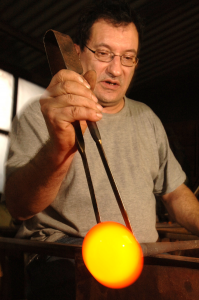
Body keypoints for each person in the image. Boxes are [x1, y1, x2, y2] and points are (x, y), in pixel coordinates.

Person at [3, 0, 199, 299]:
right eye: (104, 53)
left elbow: (174, 191)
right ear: (79, 52)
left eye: (128, 57)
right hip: (66, 258)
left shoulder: (146, 117)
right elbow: (19, 205)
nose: (116, 69)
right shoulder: (41, 114)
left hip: (138, 262)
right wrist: (60, 146)